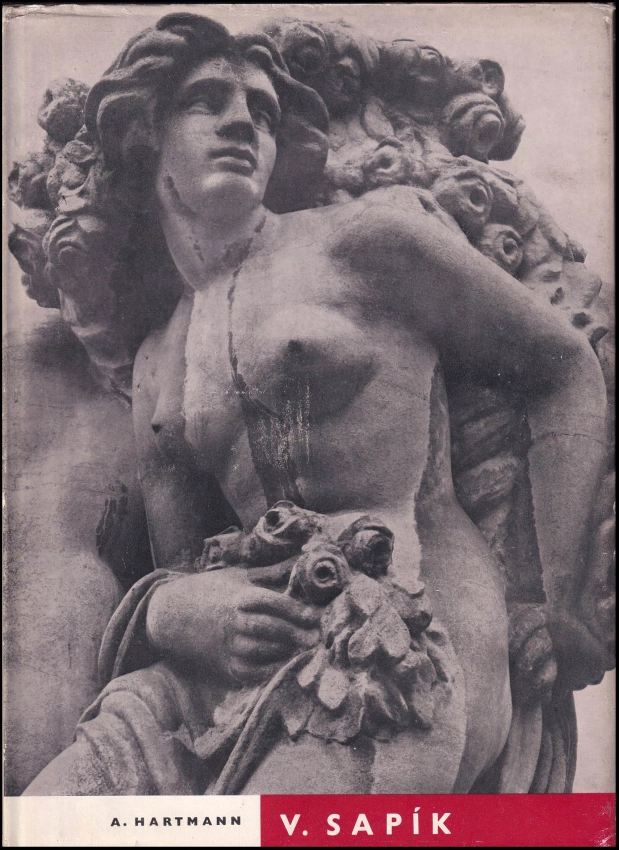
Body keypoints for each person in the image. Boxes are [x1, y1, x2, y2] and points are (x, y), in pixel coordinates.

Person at [23, 13, 608, 795]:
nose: (241, 123)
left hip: (395, 637)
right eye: (206, 101)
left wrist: (557, 602)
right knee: (49, 811)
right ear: (144, 137)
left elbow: (563, 365)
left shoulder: (365, 244)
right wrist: (170, 612)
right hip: (227, 667)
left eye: (263, 113)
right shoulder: (157, 360)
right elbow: (185, 566)